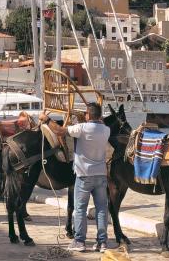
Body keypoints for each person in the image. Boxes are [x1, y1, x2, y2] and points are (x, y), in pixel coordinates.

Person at [39, 102, 110, 253]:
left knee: (80, 209)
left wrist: (46, 120)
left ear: (88, 115)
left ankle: (79, 241)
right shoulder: (106, 130)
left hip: (84, 176)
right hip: (101, 175)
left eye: (86, 113)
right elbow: (99, 122)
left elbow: (59, 131)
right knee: (102, 209)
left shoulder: (82, 128)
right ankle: (102, 243)